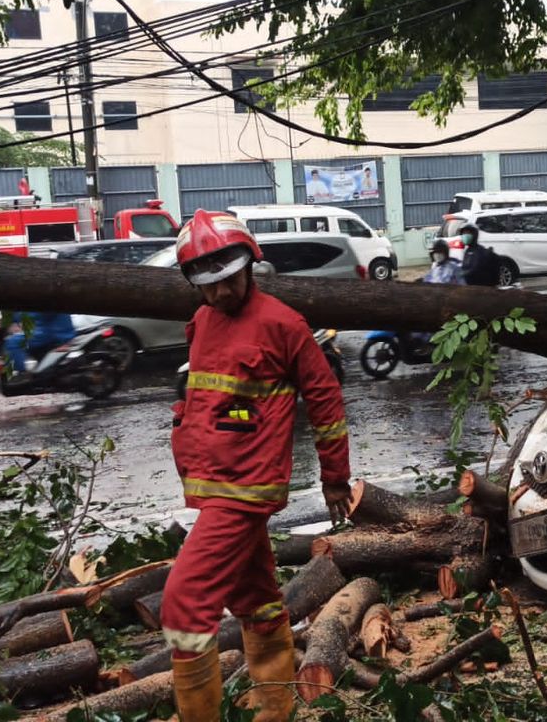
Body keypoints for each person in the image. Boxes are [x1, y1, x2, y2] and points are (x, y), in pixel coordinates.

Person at [162, 210, 352, 722]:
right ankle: (277, 710)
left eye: (228, 280)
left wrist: (335, 478)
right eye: (209, 285)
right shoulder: (202, 321)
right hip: (214, 484)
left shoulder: (283, 324)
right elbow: (221, 404)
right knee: (256, 599)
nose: (221, 293)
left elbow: (325, 400)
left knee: (183, 606)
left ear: (250, 266)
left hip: (244, 489)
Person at [3, 311, 76, 372]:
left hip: (50, 332)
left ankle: (20, 375)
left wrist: (64, 340)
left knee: (14, 342)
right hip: (36, 329)